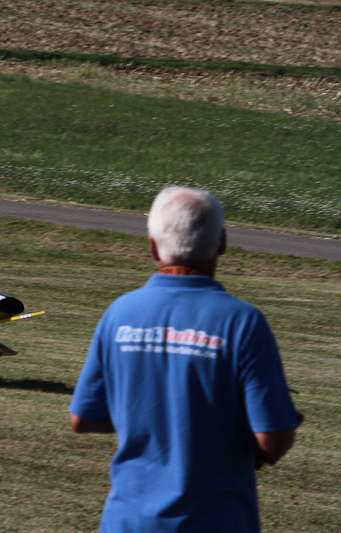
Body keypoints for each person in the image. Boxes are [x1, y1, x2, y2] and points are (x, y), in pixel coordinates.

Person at [68, 186, 301, 532]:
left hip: (128, 521)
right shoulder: (243, 322)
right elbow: (273, 439)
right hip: (215, 520)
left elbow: (83, 418)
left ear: (151, 246)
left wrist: (153, 418)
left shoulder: (119, 314)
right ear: (222, 242)